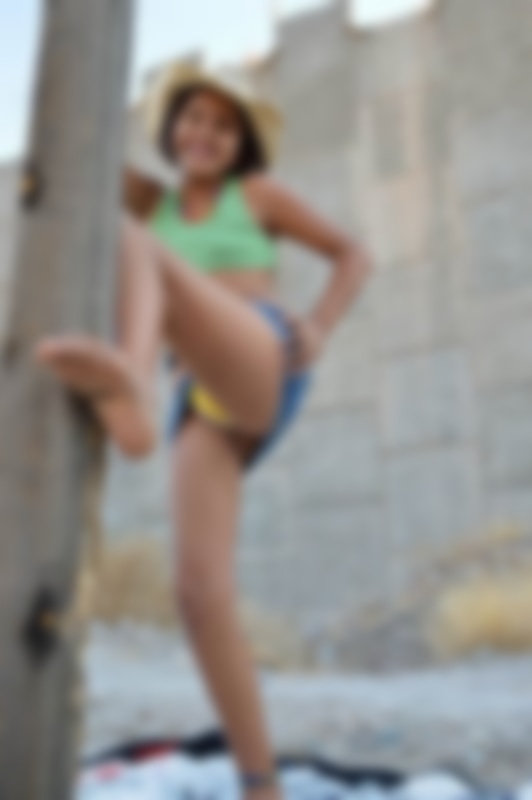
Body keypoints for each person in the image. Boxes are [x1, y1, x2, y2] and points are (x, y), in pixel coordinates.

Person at [36, 62, 371, 800]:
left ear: (243, 143)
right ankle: (261, 784)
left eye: (225, 125)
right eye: (193, 117)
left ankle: (131, 383)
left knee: (136, 240)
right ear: (169, 128)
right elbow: (78, 151)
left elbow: (354, 253)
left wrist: (320, 324)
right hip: (200, 396)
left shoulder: (256, 195)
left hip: (260, 351)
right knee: (198, 593)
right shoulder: (153, 200)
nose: (206, 134)